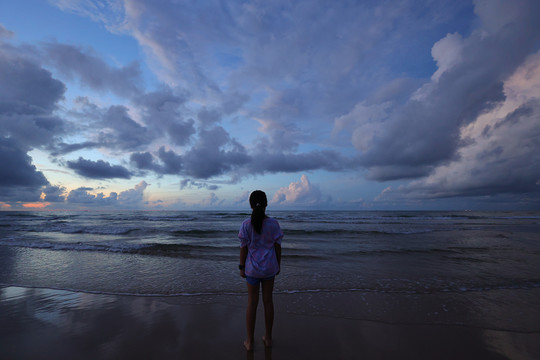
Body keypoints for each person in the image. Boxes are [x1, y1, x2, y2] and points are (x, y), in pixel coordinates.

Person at [238, 190, 283, 352]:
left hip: (252, 270)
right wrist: (278, 265)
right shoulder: (273, 224)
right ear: (266, 204)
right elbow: (278, 248)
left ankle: (250, 342)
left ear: (250, 205)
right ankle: (268, 339)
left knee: (252, 304)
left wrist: (241, 267)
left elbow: (243, 250)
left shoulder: (246, 225)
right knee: (268, 302)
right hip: (270, 269)